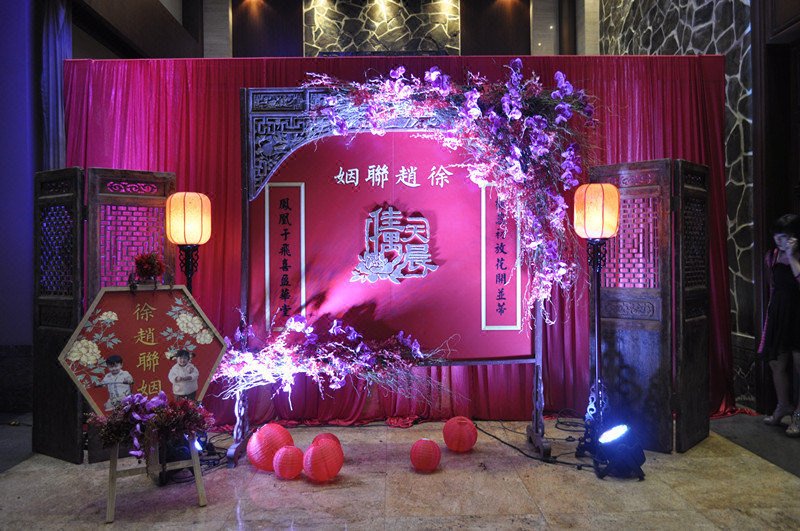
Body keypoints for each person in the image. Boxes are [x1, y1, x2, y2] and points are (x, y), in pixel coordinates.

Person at [760, 214, 800, 436]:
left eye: (784, 236)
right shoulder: (772, 256)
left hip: (798, 314)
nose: (779, 240)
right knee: (776, 363)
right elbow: (772, 286)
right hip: (779, 313)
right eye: (777, 235)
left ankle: (798, 415)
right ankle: (783, 405)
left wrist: (792, 256)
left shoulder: (796, 255)